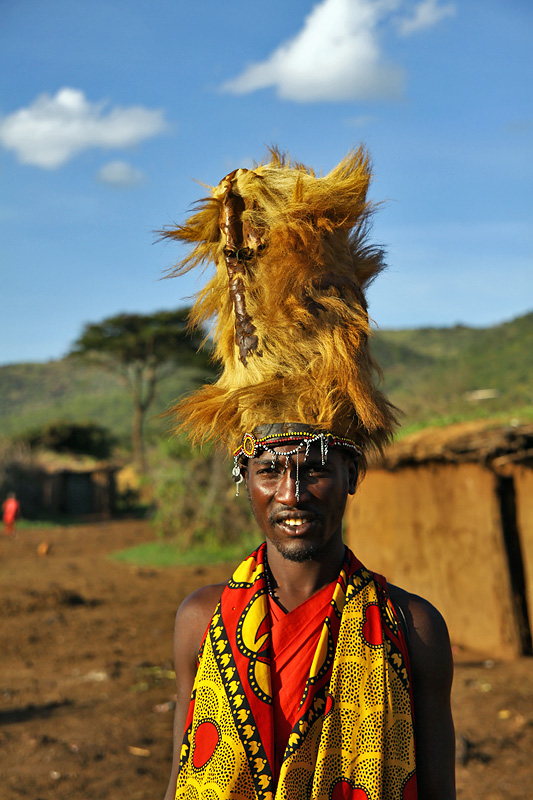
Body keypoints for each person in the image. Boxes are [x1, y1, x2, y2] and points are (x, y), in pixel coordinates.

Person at [162, 148, 456, 800]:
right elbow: (182, 776)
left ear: (352, 474)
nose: (291, 493)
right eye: (269, 470)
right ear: (244, 478)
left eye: (315, 468)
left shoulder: (413, 629)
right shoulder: (201, 620)